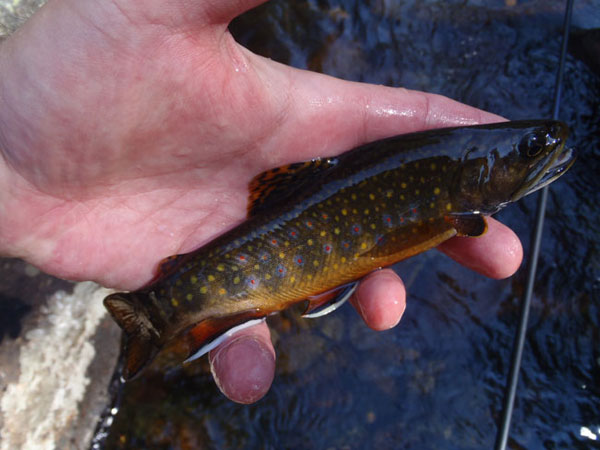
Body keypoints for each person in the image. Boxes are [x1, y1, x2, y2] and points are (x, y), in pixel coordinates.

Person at [0, 0, 523, 404]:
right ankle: (159, 313)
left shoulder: (457, 200)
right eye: (527, 151)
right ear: (476, 174)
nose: (537, 154)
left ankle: (164, 313)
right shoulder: (456, 208)